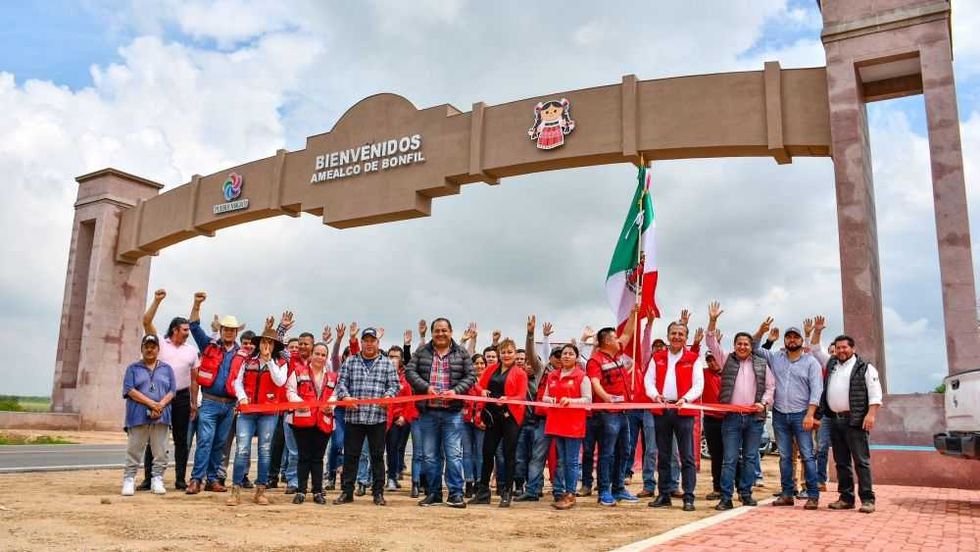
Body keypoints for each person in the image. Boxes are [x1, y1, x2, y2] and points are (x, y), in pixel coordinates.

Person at [705, 302, 774, 510]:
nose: (742, 347)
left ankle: (746, 493)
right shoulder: (726, 360)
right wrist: (713, 320)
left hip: (754, 418)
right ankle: (726, 497)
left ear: (751, 346)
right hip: (732, 418)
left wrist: (763, 403)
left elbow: (771, 387)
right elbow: (710, 341)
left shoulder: (761, 364)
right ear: (734, 345)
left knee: (751, 457)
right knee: (730, 458)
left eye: (746, 344)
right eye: (739, 344)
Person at [405, 318, 477, 508]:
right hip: (428, 412)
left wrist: (456, 391)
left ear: (451, 332)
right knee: (429, 455)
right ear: (432, 333)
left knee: (454, 455)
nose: (440, 334)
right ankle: (434, 493)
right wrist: (426, 387)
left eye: (444, 330)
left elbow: (471, 376)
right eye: (437, 330)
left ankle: (455, 494)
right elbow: (410, 372)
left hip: (452, 412)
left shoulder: (461, 352)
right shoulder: (422, 351)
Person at [753, 318, 824, 510]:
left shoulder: (811, 363)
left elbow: (817, 390)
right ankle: (787, 494)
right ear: (784, 341)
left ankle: (812, 495)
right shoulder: (776, 358)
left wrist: (810, 414)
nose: (792, 340)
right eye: (788, 337)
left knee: (807, 456)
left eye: (795, 337)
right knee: (784, 457)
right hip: (780, 415)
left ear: (802, 340)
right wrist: (761, 332)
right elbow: (754, 348)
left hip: (802, 414)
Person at [814, 333, 882, 514]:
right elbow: (815, 350)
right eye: (838, 348)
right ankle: (846, 498)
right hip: (835, 420)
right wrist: (817, 332)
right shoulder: (832, 365)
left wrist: (871, 415)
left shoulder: (865, 368)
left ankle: (867, 499)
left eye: (845, 347)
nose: (841, 351)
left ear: (853, 349)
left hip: (856, 420)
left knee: (861, 461)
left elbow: (875, 394)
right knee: (841, 462)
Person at [137, 289, 197, 491]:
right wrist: (156, 301)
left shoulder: (191, 351)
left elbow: (194, 378)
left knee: (182, 440)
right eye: (184, 330)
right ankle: (149, 478)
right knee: (154, 438)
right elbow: (146, 321)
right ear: (174, 330)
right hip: (160, 397)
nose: (187, 333)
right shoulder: (161, 343)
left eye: (188, 330)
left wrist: (193, 402)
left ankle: (180, 479)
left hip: (181, 397)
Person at [333, 328, 400, 506]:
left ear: (378, 343)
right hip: (354, 417)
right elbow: (341, 384)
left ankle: (378, 493)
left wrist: (388, 396)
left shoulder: (386, 364)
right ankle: (347, 492)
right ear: (361, 342)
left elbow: (394, 386)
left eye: (372, 340)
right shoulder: (350, 362)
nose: (369, 344)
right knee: (350, 456)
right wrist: (346, 397)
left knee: (377, 456)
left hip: (377, 417)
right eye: (366, 340)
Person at [645, 319, 704, 511]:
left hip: (683, 411)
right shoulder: (658, 357)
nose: (677, 337)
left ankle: (688, 496)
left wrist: (685, 399)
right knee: (663, 455)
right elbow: (649, 381)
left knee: (686, 456)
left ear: (686, 337)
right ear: (668, 335)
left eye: (681, 334)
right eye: (674, 333)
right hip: (662, 410)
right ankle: (664, 494)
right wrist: (655, 396)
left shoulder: (694, 358)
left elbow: (698, 385)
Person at [226, 325, 289, 506]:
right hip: (247, 412)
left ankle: (260, 490)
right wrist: (242, 397)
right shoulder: (248, 361)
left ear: (275, 346)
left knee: (264, 451)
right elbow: (237, 382)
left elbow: (280, 381)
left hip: (268, 413)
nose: (266, 345)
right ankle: (235, 490)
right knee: (242, 449)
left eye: (269, 342)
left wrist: (269, 361)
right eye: (263, 341)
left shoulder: (281, 364)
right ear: (259, 343)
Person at [186, 293, 242, 495]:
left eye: (231, 330)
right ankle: (196, 479)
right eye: (225, 329)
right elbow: (193, 326)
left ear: (236, 332)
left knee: (220, 442)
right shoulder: (209, 345)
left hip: (229, 404)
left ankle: (212, 479)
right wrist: (197, 305)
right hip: (209, 401)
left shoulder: (242, 354)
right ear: (221, 330)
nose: (228, 332)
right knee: (205, 440)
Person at [587, 306, 640, 507]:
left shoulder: (616, 354)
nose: (619, 339)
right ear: (607, 341)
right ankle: (604, 492)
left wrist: (633, 314)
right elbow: (594, 382)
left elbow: (628, 333)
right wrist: (606, 397)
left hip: (622, 412)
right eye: (614, 337)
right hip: (607, 413)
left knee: (624, 451)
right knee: (607, 453)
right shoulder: (595, 360)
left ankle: (619, 488)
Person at [468, 337, 528, 507]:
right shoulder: (491, 369)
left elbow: (522, 396)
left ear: (515, 354)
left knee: (509, 455)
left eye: (510, 352)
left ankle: (506, 491)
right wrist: (483, 391)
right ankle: (483, 492)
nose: (506, 355)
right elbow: (478, 386)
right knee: (487, 453)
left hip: (511, 417)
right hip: (493, 416)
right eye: (503, 352)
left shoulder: (520, 373)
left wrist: (508, 399)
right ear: (499, 354)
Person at [121, 334, 176, 496]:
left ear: (158, 349)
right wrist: (152, 404)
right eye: (147, 346)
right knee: (134, 449)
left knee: (161, 450)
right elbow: (130, 390)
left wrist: (160, 405)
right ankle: (129, 479)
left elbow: (172, 391)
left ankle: (157, 478)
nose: (150, 350)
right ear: (142, 348)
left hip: (161, 415)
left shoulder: (167, 369)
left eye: (153, 347)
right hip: (138, 415)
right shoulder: (133, 368)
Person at [542, 343, 592, 510]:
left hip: (574, 425)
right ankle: (562, 492)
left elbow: (588, 400)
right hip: (556, 423)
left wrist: (571, 401)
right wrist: (553, 401)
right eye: (564, 353)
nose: (566, 356)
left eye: (570, 353)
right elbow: (545, 397)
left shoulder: (582, 377)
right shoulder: (552, 376)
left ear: (576, 357)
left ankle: (571, 493)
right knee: (561, 460)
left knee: (571, 461)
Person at [287, 341, 337, 505]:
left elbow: (336, 394)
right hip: (302, 420)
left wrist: (332, 405)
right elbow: (290, 391)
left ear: (326, 357)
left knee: (318, 458)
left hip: (323, 420)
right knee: (303, 456)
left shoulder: (332, 376)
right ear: (312, 354)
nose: (320, 357)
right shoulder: (298, 372)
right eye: (317, 353)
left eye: (323, 355)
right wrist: (299, 402)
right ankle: (301, 491)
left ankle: (317, 491)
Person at [515, 315, 555, 502]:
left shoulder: (573, 373)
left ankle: (561, 490)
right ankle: (532, 490)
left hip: (560, 422)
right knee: (534, 457)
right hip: (537, 422)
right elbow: (532, 354)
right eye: (556, 355)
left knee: (561, 459)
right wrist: (530, 334)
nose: (560, 358)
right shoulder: (543, 371)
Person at [385, 344, 418, 492]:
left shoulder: (407, 377)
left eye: (396, 356)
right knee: (389, 448)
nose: (393, 359)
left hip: (402, 418)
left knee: (399, 448)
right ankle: (389, 477)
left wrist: (404, 417)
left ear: (401, 359)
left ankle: (395, 475)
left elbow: (410, 399)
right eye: (390, 356)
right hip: (386, 418)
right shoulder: (382, 374)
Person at [461, 353, 488, 498]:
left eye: (481, 363)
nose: (479, 366)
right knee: (467, 453)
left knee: (480, 453)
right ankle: (469, 482)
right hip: (466, 421)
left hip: (482, 422)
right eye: (476, 363)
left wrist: (483, 419)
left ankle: (480, 482)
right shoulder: (467, 380)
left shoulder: (489, 379)